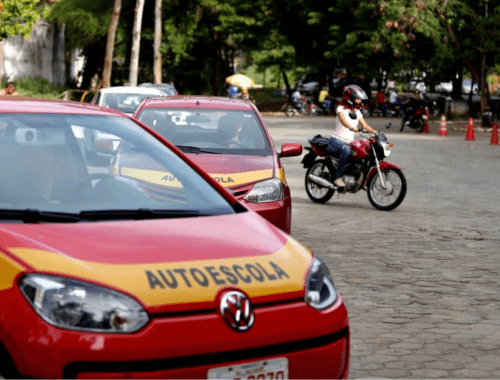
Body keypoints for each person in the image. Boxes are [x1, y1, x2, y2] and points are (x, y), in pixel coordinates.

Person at [327, 85, 377, 190]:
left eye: (360, 99)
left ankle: (361, 180)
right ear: (350, 98)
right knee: (346, 150)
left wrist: (375, 132)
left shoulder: (357, 112)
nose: (359, 101)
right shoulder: (341, 109)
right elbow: (343, 121)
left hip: (350, 141)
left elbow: (365, 125)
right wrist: (351, 127)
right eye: (357, 99)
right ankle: (338, 178)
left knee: (365, 151)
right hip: (337, 140)